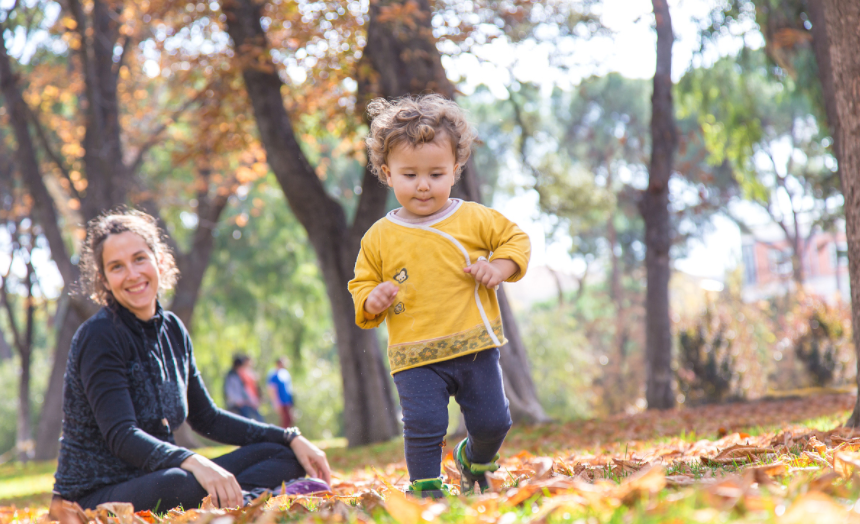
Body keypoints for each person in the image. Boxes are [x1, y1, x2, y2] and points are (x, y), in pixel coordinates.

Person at [50, 209, 331, 522]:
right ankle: (255, 500)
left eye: (139, 258)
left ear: (160, 260)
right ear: (103, 279)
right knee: (182, 482)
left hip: (159, 476)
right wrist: (194, 461)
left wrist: (289, 437)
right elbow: (121, 435)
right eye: (117, 267)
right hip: (91, 498)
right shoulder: (99, 336)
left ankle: (246, 501)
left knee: (280, 455)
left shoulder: (173, 330)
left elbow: (206, 417)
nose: (132, 273)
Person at [348, 95, 530, 497]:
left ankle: (476, 461)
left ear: (456, 170)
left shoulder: (474, 218)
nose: (424, 185)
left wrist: (497, 268)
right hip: (415, 354)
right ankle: (426, 486)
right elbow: (361, 284)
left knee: (493, 421)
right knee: (425, 424)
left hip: (475, 345)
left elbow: (515, 239)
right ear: (387, 173)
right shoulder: (379, 236)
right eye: (410, 174)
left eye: (436, 173)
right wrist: (372, 300)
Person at [225, 354, 264, 422]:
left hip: (245, 402)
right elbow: (229, 391)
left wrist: (251, 400)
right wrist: (238, 401)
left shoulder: (240, 375)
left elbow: (245, 390)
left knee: (258, 417)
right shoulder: (231, 376)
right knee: (246, 418)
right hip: (235, 403)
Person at [267, 358, 295, 428]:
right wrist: (275, 403)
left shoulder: (285, 374)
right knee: (284, 420)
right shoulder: (274, 375)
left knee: (289, 419)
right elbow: (271, 390)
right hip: (280, 402)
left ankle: (286, 436)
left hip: (287, 401)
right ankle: (282, 436)